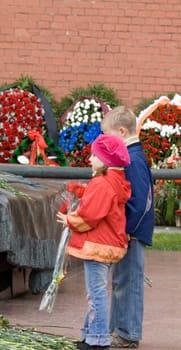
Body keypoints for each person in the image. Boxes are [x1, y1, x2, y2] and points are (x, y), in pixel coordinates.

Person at [57, 134, 131, 350]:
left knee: (95, 293)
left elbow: (90, 215)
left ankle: (98, 339)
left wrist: (69, 219)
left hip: (97, 245)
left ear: (106, 159)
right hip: (108, 245)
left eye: (94, 155)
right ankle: (89, 334)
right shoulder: (115, 182)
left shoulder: (102, 183)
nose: (89, 159)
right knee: (96, 291)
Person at [102, 106, 154, 348]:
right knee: (121, 281)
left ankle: (128, 335)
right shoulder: (131, 156)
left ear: (121, 132)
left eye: (108, 135)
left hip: (131, 233)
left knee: (129, 282)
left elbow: (142, 201)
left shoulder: (132, 159)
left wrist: (127, 230)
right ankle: (118, 330)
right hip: (128, 232)